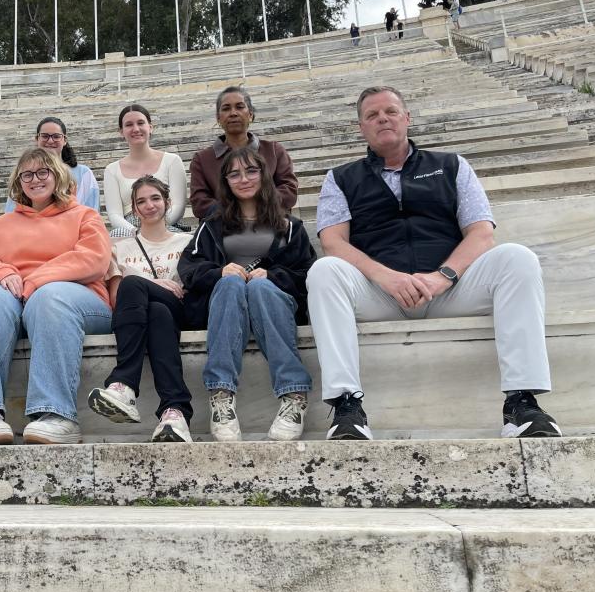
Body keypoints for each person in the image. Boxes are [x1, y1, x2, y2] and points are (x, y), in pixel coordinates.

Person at [307, 86, 560, 441]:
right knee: (324, 271)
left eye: (391, 111)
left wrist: (442, 277)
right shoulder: (341, 178)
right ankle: (348, 406)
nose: (382, 118)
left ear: (407, 118)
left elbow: (481, 233)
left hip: (450, 289)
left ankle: (522, 404)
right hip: (381, 295)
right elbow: (333, 242)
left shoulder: (451, 165)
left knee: (517, 258)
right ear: (361, 128)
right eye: (372, 115)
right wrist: (387, 278)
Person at [0, 148, 112, 446]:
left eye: (43, 172)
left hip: (78, 300)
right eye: (27, 174)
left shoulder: (84, 215)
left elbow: (94, 259)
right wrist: (3, 271)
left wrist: (37, 280)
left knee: (49, 297)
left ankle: (58, 415)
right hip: (15, 298)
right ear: (19, 181)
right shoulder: (1, 223)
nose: (35, 179)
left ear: (57, 175)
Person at [179, 147, 315, 442]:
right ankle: (222, 395)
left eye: (251, 171)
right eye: (234, 173)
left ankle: (293, 396)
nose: (243, 179)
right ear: (225, 181)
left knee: (261, 286)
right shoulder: (213, 224)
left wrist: (273, 275)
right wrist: (219, 272)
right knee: (230, 284)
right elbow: (188, 266)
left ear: (264, 175)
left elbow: (307, 273)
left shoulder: (289, 226)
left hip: (274, 301)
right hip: (225, 302)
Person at [88, 176, 195, 442]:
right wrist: (156, 284)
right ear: (134, 210)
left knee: (134, 283)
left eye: (155, 198)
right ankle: (174, 411)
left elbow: (191, 289)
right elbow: (117, 296)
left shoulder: (188, 241)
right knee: (155, 311)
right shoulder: (118, 247)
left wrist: (143, 282)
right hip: (149, 314)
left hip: (181, 309)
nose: (149, 205)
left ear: (168, 203)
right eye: (141, 201)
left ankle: (124, 383)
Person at [189, 87, 297, 220]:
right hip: (223, 230)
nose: (233, 113)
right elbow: (200, 202)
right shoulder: (202, 159)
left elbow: (289, 190)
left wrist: (254, 209)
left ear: (250, 114)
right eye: (226, 108)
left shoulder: (274, 151)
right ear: (218, 118)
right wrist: (237, 213)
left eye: (240, 107)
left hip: (272, 224)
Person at [103, 104, 187, 237]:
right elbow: (114, 215)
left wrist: (158, 225)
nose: (135, 129)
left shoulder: (172, 161)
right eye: (129, 125)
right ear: (121, 131)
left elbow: (178, 205)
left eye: (141, 123)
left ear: (150, 127)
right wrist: (136, 231)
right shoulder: (112, 170)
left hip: (167, 223)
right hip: (129, 229)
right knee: (116, 236)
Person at [4, 116, 100, 213]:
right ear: (37, 139)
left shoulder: (84, 173)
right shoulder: (24, 174)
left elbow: (92, 211)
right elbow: (12, 211)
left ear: (65, 140)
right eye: (45, 136)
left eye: (56, 136)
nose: (50, 141)